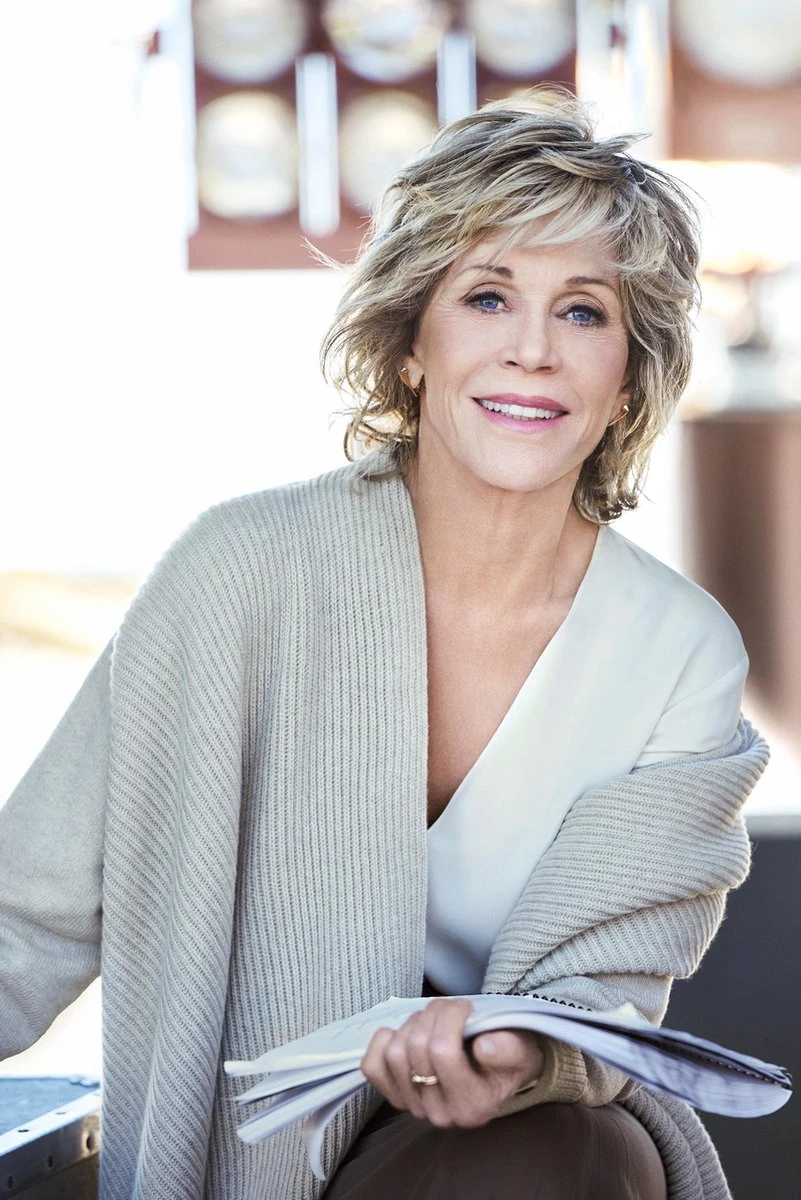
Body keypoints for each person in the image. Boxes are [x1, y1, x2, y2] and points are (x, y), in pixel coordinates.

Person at [0, 91, 768, 1200]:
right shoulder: (236, 571)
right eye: (488, 296)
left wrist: (517, 1055)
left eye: (583, 312)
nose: (533, 350)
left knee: (557, 1154)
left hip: (528, 1138)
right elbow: (28, 914)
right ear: (411, 343)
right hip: (257, 1161)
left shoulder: (679, 653)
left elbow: (606, 989)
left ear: (627, 378)